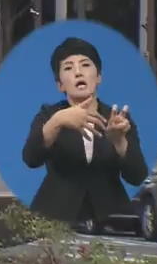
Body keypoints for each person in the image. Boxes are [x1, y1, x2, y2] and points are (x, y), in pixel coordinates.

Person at [22, 37, 148, 226]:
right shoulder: (50, 115)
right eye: (68, 68)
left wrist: (119, 142)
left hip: (110, 216)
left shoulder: (118, 119)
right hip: (56, 215)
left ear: (98, 77)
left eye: (85, 65)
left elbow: (137, 176)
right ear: (60, 85)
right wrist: (57, 122)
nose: (78, 72)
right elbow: (31, 158)